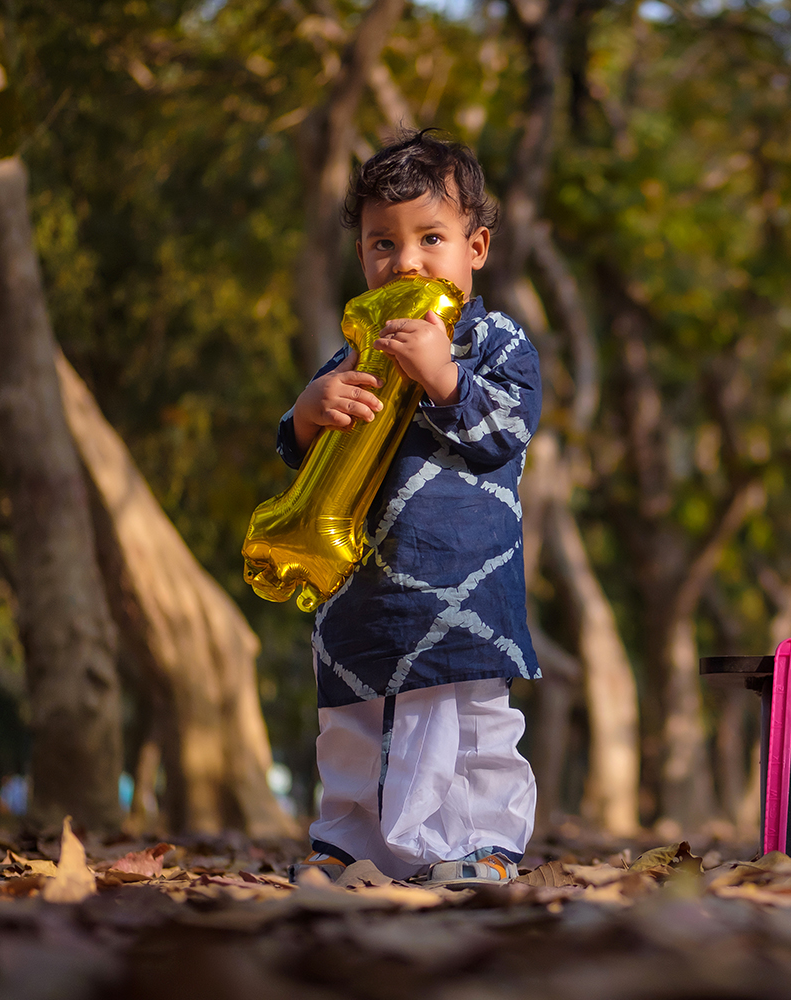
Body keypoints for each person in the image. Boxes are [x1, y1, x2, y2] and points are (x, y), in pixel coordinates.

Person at [279, 129, 541, 886]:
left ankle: (484, 843)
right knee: (354, 723)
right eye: (381, 244)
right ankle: (347, 843)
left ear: (477, 246)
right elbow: (309, 459)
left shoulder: (495, 340)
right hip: (359, 589)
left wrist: (446, 380)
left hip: (462, 587)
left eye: (431, 237)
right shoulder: (356, 348)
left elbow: (506, 430)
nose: (407, 261)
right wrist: (307, 411)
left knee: (470, 726)